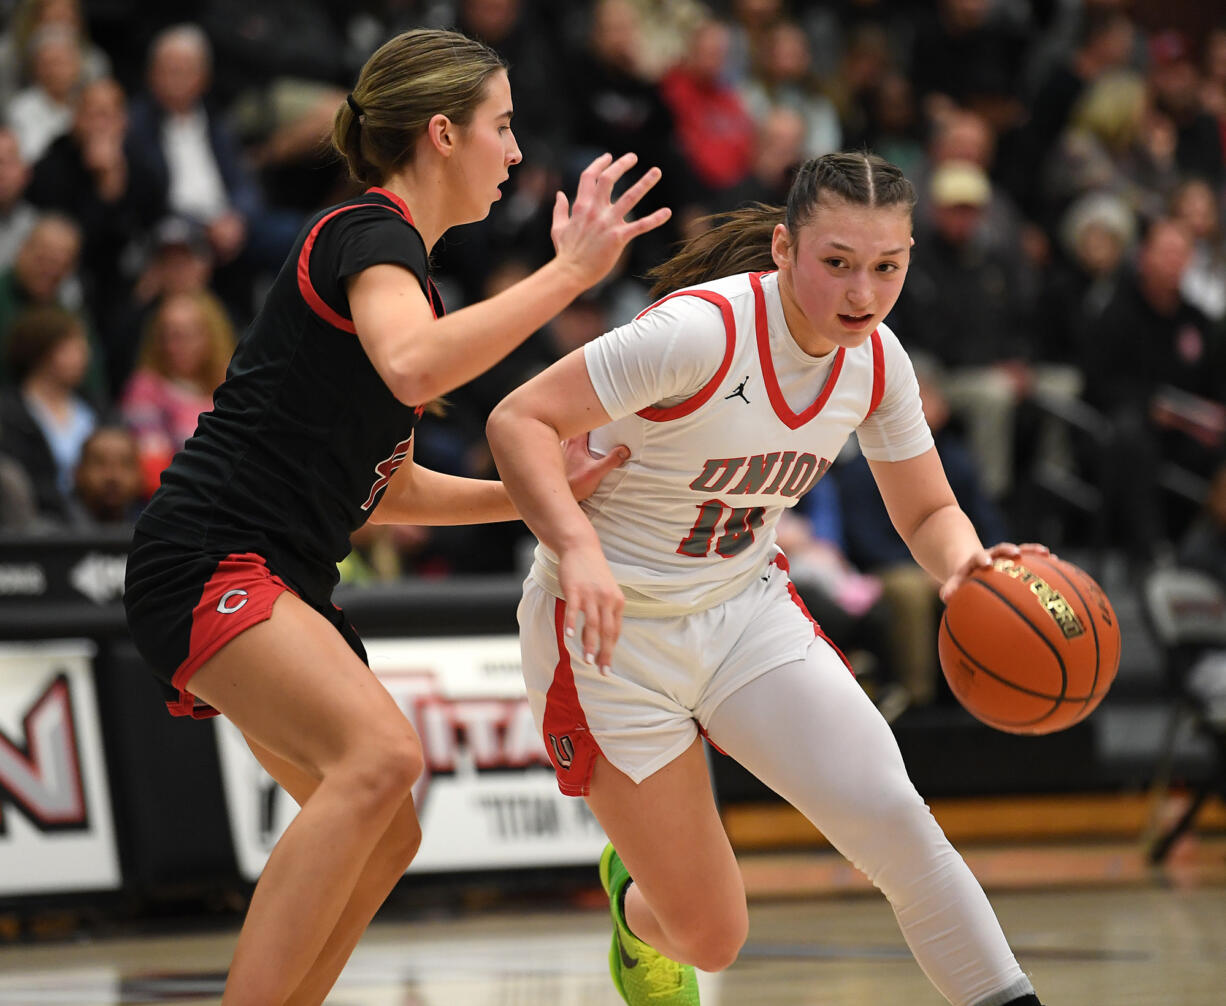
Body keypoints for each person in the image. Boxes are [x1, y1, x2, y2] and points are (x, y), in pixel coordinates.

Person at [121, 27, 669, 1006]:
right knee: (377, 759)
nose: (514, 149)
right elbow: (414, 366)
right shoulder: (365, 233)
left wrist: (541, 494)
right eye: (501, 127)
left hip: (273, 573)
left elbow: (392, 488)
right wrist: (566, 276)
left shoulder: (400, 272)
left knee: (387, 823)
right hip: (211, 555)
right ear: (442, 134)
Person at [487, 151, 1047, 1006]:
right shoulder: (700, 333)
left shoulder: (879, 360)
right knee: (714, 935)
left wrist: (968, 567)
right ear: (783, 249)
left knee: (897, 823)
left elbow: (928, 514)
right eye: (838, 263)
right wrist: (579, 546)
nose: (862, 292)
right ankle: (635, 909)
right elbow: (518, 417)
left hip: (743, 611)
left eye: (887, 267)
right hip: (609, 635)